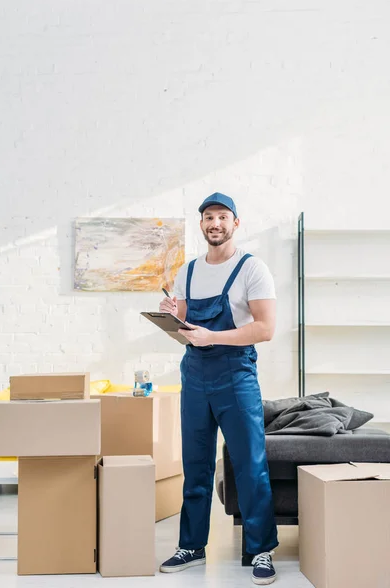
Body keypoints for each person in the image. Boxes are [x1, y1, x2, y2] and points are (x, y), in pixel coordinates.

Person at [158, 192, 278, 585]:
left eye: (222, 217)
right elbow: (189, 335)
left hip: (236, 376)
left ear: (235, 223)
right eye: (208, 217)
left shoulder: (252, 269)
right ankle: (191, 546)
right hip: (194, 376)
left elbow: (265, 328)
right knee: (194, 465)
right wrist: (174, 319)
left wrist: (213, 337)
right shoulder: (187, 272)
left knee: (250, 464)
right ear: (202, 224)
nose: (215, 223)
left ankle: (259, 550)